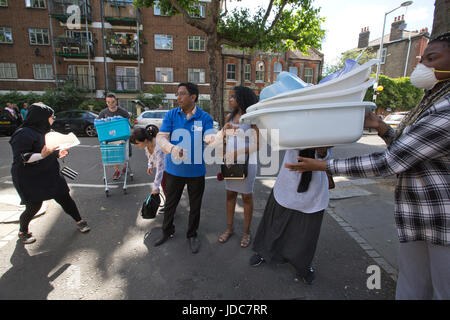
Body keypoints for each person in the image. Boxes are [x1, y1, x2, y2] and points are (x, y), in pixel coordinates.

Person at [285, 33, 450, 299]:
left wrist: (324, 165)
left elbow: (391, 161)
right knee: (412, 287)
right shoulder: (433, 99)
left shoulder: (446, 108)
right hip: (417, 216)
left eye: (432, 58)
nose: (421, 66)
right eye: (422, 59)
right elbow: (408, 149)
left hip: (442, 219)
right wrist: (383, 128)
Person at [9, 103, 90, 244]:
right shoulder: (22, 133)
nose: (53, 119)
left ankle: (80, 221)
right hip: (28, 177)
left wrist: (59, 152)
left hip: (49, 172)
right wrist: (42, 155)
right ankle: (23, 231)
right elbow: (22, 157)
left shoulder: (45, 131)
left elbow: (49, 151)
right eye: (51, 117)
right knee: (34, 206)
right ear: (42, 117)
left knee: (64, 197)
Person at [249, 147, 330, 285]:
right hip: (288, 180)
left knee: (307, 232)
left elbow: (327, 156)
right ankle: (264, 252)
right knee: (275, 222)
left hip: (315, 183)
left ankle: (303, 265)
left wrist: (323, 151)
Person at [155, 82, 214, 254]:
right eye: (177, 94)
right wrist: (172, 149)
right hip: (174, 170)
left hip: (196, 172)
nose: (177, 97)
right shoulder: (172, 115)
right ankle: (167, 231)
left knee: (195, 206)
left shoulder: (204, 117)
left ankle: (192, 234)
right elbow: (161, 137)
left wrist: (214, 138)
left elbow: (209, 135)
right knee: (170, 204)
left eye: (181, 94)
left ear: (193, 97)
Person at [215, 86, 259, 248]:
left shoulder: (253, 118)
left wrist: (238, 152)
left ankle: (247, 232)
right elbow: (224, 140)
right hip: (231, 163)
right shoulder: (229, 117)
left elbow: (257, 145)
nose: (230, 99)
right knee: (230, 195)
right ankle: (229, 228)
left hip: (248, 163)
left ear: (242, 99)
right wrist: (224, 142)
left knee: (246, 197)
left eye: (233, 97)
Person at [98, 93, 131, 180]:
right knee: (114, 153)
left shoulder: (122, 112)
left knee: (123, 153)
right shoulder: (103, 113)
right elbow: (99, 124)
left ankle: (124, 167)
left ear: (116, 101)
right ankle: (117, 170)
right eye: (108, 102)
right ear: (106, 102)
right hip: (110, 138)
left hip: (121, 137)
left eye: (112, 102)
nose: (110, 104)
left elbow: (128, 122)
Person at [130, 125, 167, 198]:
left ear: (145, 140)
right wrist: (150, 165)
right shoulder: (147, 145)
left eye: (137, 143)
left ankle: (170, 208)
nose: (136, 145)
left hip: (168, 170)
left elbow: (160, 170)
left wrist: (155, 187)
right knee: (165, 187)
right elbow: (150, 156)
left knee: (166, 188)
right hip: (164, 169)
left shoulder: (158, 148)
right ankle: (169, 206)